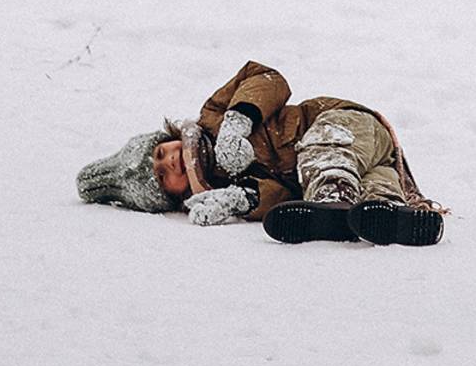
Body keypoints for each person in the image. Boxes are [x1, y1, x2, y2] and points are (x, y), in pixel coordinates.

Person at [77, 58, 444, 246]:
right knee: (372, 184)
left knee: (323, 149)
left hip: (345, 124)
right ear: (172, 197)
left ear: (165, 137)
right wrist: (241, 199)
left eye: (159, 152)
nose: (169, 160)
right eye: (161, 176)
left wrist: (239, 120)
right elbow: (283, 195)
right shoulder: (218, 189)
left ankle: (335, 203)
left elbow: (267, 78)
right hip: (358, 166)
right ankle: (389, 217)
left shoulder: (213, 116)